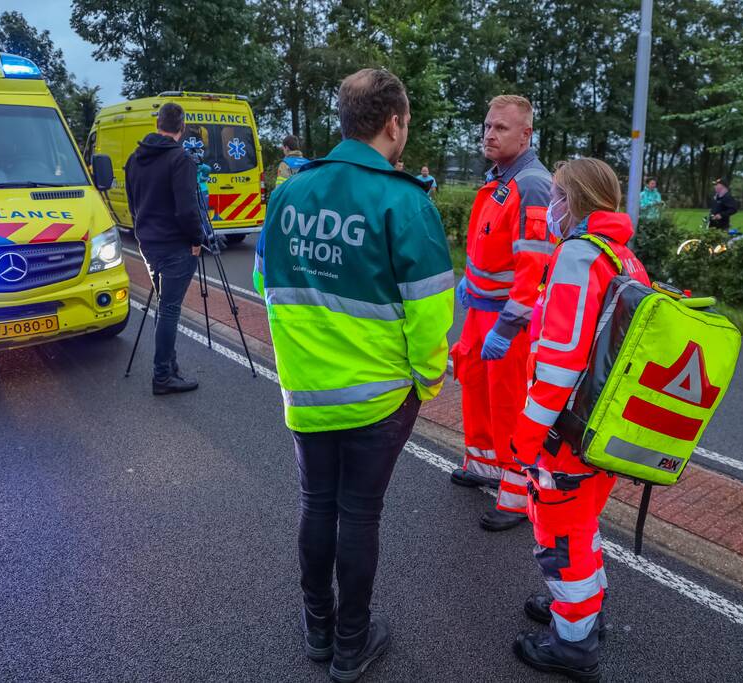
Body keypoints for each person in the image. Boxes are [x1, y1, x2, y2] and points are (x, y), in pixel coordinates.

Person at [253, 69, 454, 682]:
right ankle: (351, 644)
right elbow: (429, 314)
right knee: (359, 515)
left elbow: (264, 280)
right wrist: (428, 381)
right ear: (394, 123)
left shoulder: (291, 192)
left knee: (317, 505)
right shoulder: (405, 201)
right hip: (380, 397)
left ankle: (318, 631)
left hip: (307, 389)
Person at [510, 158, 650, 681]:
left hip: (565, 433)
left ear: (573, 199)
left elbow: (560, 357)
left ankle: (573, 642)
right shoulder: (625, 258)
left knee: (560, 536)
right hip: (601, 427)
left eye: (555, 195)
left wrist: (529, 434)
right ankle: (583, 611)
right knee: (582, 526)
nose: (550, 207)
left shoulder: (577, 256)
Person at [450, 94, 552, 532]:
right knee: (474, 382)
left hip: (508, 319)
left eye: (501, 128)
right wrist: (469, 283)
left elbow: (534, 265)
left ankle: (515, 495)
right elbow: (490, 249)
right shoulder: (501, 178)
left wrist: (508, 327)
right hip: (481, 310)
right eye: (487, 126)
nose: (489, 134)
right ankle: (485, 466)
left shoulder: (531, 184)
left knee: (510, 402)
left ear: (526, 134)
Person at [124, 102, 203, 395]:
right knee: (170, 308)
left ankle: (170, 367)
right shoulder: (180, 159)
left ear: (158, 123)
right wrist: (197, 239)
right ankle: (162, 376)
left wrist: (142, 229)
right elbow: (186, 209)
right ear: (181, 127)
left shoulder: (135, 158)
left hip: (148, 243)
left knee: (164, 305)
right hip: (174, 245)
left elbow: (133, 203)